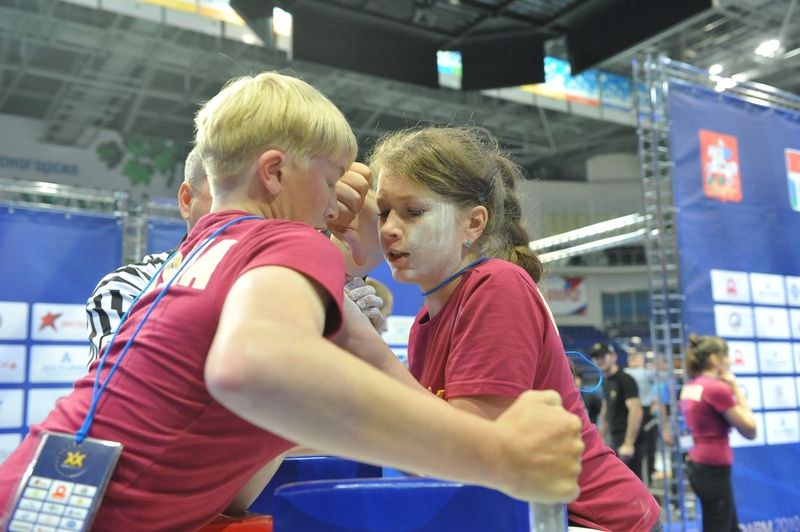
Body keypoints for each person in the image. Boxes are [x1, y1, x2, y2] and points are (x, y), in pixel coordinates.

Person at [0, 72, 585, 530]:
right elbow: (254, 368)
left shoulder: (200, 249)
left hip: (34, 499)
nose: (337, 209)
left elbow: (372, 364)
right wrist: (497, 453)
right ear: (275, 173)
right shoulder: (287, 238)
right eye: (331, 183)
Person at [368, 125, 660, 531]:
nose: (388, 229)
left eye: (413, 211)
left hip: (592, 520)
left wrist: (362, 344)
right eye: (383, 212)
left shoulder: (496, 285)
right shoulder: (426, 320)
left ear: (473, 224)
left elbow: (466, 451)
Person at [86, 147, 383, 363]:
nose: (248, 211)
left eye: (265, 197)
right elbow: (133, 387)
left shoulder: (291, 271)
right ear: (187, 200)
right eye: (224, 196)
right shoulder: (130, 286)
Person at [679, 334, 756, 532]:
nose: (729, 361)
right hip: (712, 469)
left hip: (699, 465)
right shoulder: (715, 388)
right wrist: (735, 387)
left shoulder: (692, 386)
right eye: (726, 356)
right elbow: (750, 429)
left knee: (729, 526)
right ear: (714, 359)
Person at [590, 342, 646, 479]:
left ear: (613, 356)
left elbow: (636, 411)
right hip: (615, 441)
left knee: (634, 487)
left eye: (603, 356)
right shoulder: (607, 381)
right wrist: (600, 438)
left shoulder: (625, 379)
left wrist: (628, 443)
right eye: (596, 357)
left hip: (630, 444)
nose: (600, 360)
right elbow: (606, 410)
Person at [624, 349, 659, 484]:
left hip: (628, 413)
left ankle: (633, 479)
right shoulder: (646, 373)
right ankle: (648, 476)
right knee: (649, 448)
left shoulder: (624, 374)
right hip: (645, 413)